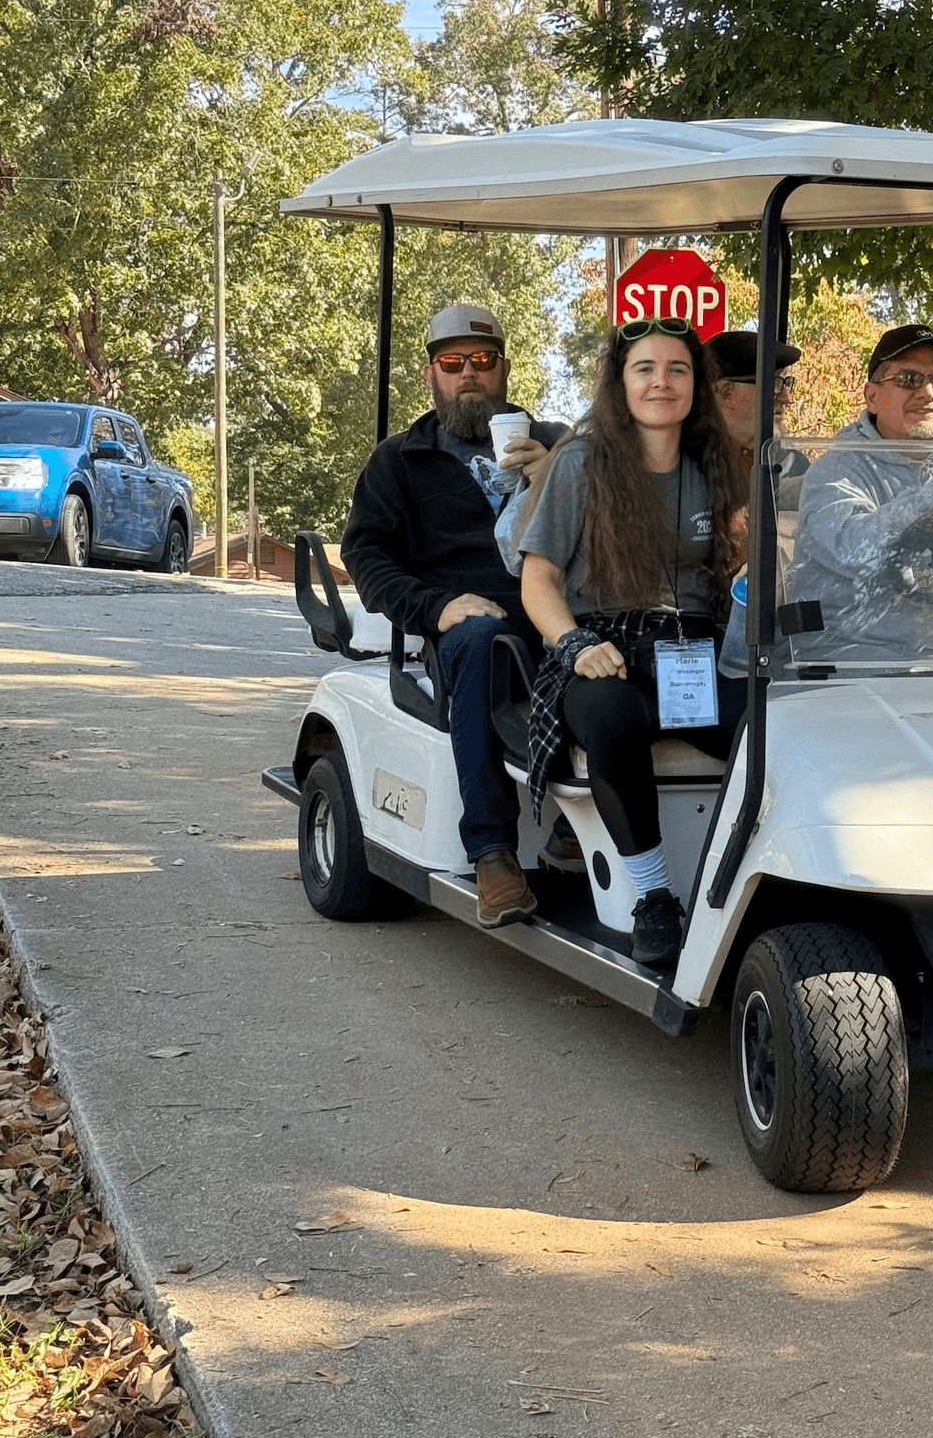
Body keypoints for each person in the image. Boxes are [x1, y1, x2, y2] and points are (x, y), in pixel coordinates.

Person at [516, 318, 748, 969]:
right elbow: (539, 582)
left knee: (771, 725)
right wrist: (573, 646)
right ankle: (652, 896)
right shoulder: (580, 463)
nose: (661, 382)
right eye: (644, 368)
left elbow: (732, 577)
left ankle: (741, 882)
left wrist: (755, 548)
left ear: (695, 385)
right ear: (620, 383)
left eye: (676, 369)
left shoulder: (716, 465)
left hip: (691, 654)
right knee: (613, 718)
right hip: (601, 648)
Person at [341, 303, 565, 928]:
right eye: (452, 362)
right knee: (484, 637)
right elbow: (366, 554)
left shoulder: (559, 441)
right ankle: (492, 852)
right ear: (430, 375)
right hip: (467, 630)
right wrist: (436, 608)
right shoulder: (399, 461)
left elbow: (616, 521)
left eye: (483, 361)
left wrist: (557, 474)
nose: (469, 373)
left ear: (505, 370)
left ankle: (584, 827)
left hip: (557, 610)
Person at [790, 323, 933, 662]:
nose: (928, 393)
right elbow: (856, 551)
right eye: (909, 379)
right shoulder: (836, 470)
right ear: (872, 396)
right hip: (847, 655)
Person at [708, 329, 802, 469]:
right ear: (727, 393)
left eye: (786, 383)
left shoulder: (792, 463)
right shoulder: (690, 468)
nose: (786, 398)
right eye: (774, 384)